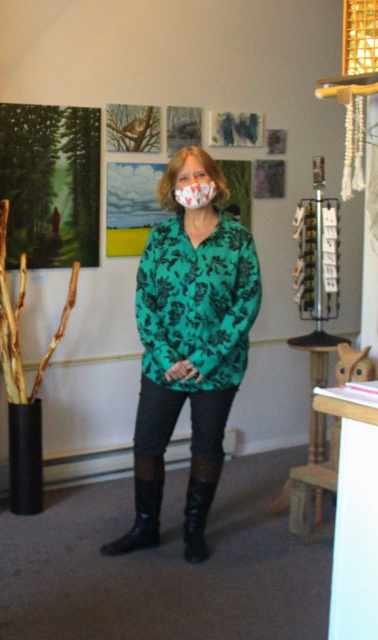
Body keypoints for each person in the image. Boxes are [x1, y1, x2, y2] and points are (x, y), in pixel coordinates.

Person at [101, 146, 262, 563]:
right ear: (172, 188)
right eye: (184, 178)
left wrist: (204, 359)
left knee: (207, 447)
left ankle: (194, 530)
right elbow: (145, 302)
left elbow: (246, 304)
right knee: (147, 445)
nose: (194, 185)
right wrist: (165, 357)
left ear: (216, 181)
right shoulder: (160, 238)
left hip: (219, 369)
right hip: (163, 367)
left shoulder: (239, 239)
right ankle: (145, 527)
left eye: (200, 175)